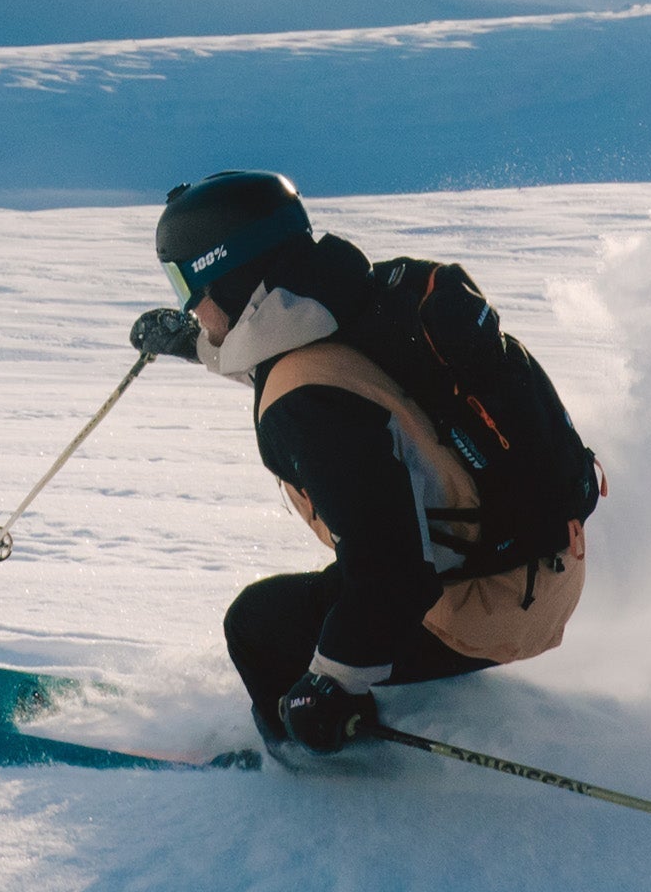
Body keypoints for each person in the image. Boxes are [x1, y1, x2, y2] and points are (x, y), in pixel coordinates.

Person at [129, 170, 601, 757]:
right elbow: (298, 355)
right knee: (358, 560)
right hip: (547, 565)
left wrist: (332, 682)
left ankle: (311, 769)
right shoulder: (350, 297)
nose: (191, 307)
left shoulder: (304, 402)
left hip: (489, 610)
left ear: (227, 274)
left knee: (259, 627)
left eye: (187, 283)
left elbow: (394, 572)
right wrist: (192, 343)